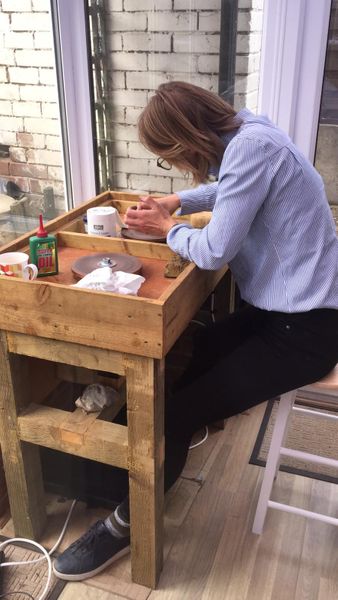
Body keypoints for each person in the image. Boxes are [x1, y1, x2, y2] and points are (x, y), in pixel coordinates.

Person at [53, 81, 338, 581]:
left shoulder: (253, 147)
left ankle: (123, 526)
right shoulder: (252, 131)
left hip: (307, 331)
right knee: (201, 344)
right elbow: (229, 187)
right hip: (291, 312)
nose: (178, 163)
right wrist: (175, 201)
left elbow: (211, 251)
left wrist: (167, 230)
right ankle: (163, 458)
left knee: (178, 411)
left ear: (185, 139)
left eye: (169, 157)